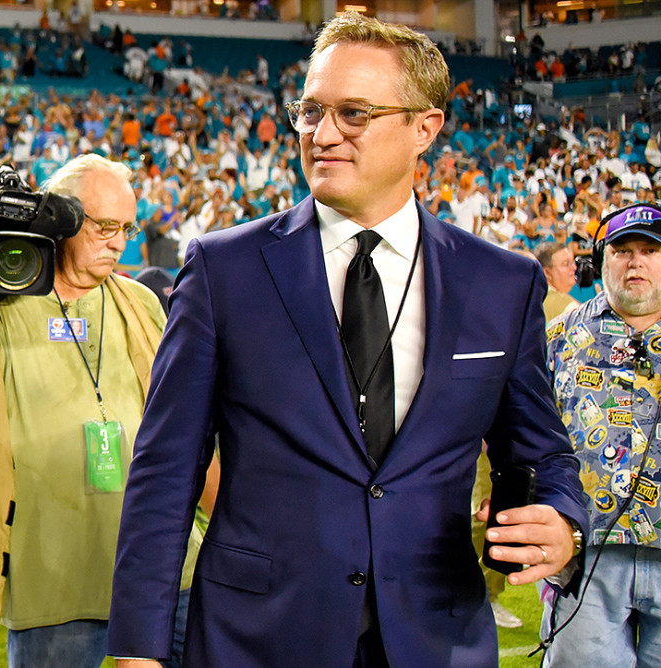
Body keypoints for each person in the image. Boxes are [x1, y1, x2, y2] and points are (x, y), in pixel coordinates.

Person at [107, 13, 587, 667]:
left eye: (354, 113)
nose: (322, 134)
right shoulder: (225, 270)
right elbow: (165, 472)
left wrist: (563, 520)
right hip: (257, 639)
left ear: (425, 128)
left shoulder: (501, 283)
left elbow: (543, 453)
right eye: (311, 111)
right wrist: (139, 648)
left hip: (433, 638)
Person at [0, 153, 203, 668]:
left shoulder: (141, 302)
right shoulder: (2, 302)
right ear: (61, 217)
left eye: (127, 227)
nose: (120, 242)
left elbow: (181, 426)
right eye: (105, 226)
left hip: (158, 560)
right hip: (53, 568)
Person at [543, 203, 661, 667]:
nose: (636, 262)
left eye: (650, 250)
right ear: (599, 261)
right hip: (584, 552)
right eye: (622, 250)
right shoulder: (555, 337)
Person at [536, 241, 579, 322]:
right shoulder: (567, 306)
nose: (574, 268)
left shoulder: (534, 295)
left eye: (573, 262)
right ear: (547, 272)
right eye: (566, 264)